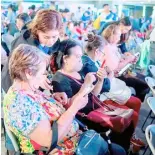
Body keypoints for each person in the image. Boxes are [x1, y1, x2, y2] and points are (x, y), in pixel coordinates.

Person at [3, 44, 126, 155]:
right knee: (118, 151)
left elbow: (40, 111)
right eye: (42, 73)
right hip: (65, 148)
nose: (45, 77)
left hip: (75, 140)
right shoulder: (18, 104)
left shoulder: (27, 90)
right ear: (29, 72)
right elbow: (49, 139)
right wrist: (74, 108)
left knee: (117, 150)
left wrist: (52, 99)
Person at [51, 39, 143, 152]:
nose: (81, 60)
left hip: (95, 108)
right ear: (65, 59)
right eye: (78, 57)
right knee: (123, 126)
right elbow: (68, 107)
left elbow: (93, 95)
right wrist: (86, 85)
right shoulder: (59, 79)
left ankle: (123, 147)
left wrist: (100, 80)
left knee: (128, 120)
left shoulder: (78, 71)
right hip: (85, 118)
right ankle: (117, 148)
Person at [102, 23, 149, 103]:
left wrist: (128, 59)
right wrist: (128, 60)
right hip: (115, 77)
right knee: (143, 85)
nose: (120, 38)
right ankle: (135, 101)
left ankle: (136, 101)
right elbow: (114, 68)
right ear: (112, 35)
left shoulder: (113, 46)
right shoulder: (107, 48)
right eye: (119, 35)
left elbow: (117, 61)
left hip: (120, 73)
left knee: (144, 80)